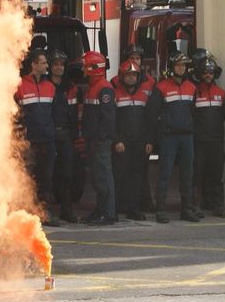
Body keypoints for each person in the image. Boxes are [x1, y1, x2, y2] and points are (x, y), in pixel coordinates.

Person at [147, 52, 200, 222]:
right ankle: (160, 210)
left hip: (186, 137)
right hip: (168, 137)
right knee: (165, 174)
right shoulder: (161, 87)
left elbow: (194, 112)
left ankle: (187, 209)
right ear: (172, 67)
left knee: (187, 174)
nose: (181, 68)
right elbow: (152, 115)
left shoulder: (192, 87)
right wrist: (151, 139)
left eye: (183, 65)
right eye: (178, 65)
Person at [14, 49, 59, 227]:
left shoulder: (50, 87)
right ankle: (25, 214)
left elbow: (55, 114)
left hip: (47, 140)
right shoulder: (20, 86)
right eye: (43, 63)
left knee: (46, 179)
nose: (47, 66)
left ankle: (45, 213)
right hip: (29, 140)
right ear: (33, 64)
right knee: (27, 179)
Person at [193, 54, 225, 218]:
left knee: (216, 173)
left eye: (210, 72)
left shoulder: (221, 93)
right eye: (205, 72)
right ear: (200, 74)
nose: (208, 75)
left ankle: (217, 204)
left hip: (216, 140)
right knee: (196, 174)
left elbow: (224, 115)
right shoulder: (194, 93)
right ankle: (194, 205)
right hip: (198, 141)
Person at [112, 59, 151, 221]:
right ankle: (115, 207)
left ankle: (133, 209)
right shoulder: (115, 93)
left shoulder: (144, 94)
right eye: (128, 75)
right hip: (122, 143)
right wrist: (117, 140)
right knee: (119, 175)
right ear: (122, 76)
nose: (131, 78)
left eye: (134, 75)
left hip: (139, 143)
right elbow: (111, 120)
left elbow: (150, 119)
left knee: (137, 176)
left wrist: (149, 141)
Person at [81, 50, 117, 225]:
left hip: (100, 141)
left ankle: (108, 212)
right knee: (97, 177)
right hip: (93, 140)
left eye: (85, 66)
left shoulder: (104, 88)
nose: (83, 69)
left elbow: (108, 118)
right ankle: (101, 210)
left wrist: (100, 137)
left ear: (94, 68)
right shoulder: (93, 86)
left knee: (104, 176)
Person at [48, 50, 81, 222]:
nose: (59, 67)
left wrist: (75, 136)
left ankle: (66, 209)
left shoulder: (71, 88)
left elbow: (74, 113)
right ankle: (46, 210)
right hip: (50, 136)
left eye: (61, 64)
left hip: (66, 135)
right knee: (48, 174)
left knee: (67, 173)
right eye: (55, 64)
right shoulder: (45, 86)